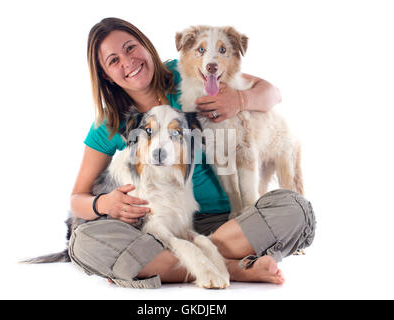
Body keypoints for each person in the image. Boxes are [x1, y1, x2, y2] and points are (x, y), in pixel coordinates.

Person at [68, 17, 316, 289]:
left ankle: (168, 263)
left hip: (230, 221)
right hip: (162, 223)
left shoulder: (188, 73)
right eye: (113, 60)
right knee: (82, 242)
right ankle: (233, 267)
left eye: (130, 48)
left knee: (296, 209)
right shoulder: (109, 122)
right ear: (105, 74)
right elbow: (77, 198)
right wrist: (103, 205)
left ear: (146, 45)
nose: (128, 62)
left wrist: (240, 99)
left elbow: (272, 93)